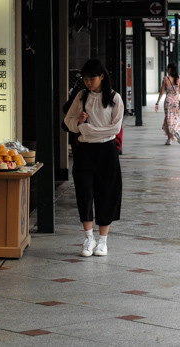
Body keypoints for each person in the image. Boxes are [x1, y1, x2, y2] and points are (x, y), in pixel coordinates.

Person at [63, 59, 124, 257]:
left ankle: (103, 241)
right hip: (84, 151)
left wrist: (88, 130)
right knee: (85, 193)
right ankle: (88, 238)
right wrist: (80, 124)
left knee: (106, 194)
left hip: (106, 151)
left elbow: (115, 128)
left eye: (92, 78)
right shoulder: (81, 96)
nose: (89, 82)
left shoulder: (115, 99)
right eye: (86, 78)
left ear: (102, 77)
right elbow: (68, 121)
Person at [154, 64, 180, 145]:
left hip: (168, 100)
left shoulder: (165, 79)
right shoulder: (179, 78)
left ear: (170, 69)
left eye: (167, 69)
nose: (167, 70)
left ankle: (171, 135)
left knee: (168, 118)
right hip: (176, 101)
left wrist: (157, 102)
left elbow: (162, 91)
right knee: (175, 117)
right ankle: (174, 133)